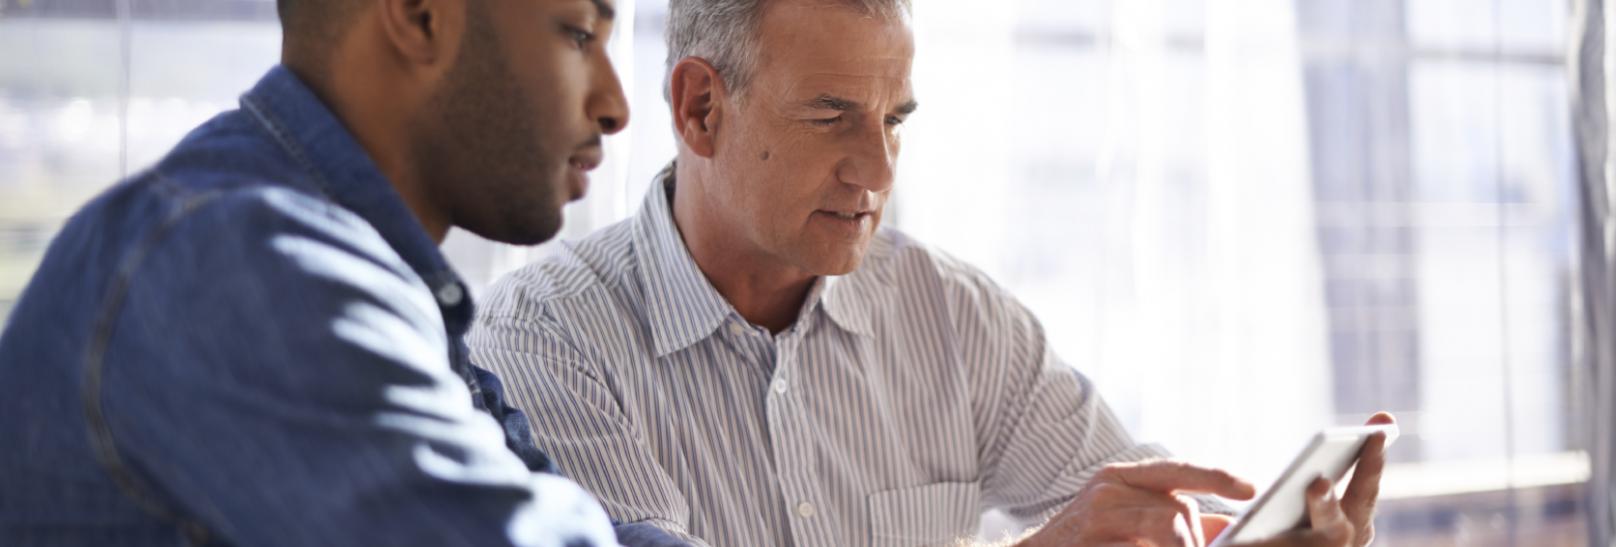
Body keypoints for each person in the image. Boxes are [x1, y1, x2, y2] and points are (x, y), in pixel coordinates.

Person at [467, 0, 1394, 546]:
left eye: (894, 121)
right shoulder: (548, 344)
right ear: (701, 108)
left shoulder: (952, 315)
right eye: (831, 116)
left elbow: (1133, 516)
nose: (876, 171)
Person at [0, 0, 684, 545]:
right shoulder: (245, 259)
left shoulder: (355, 265)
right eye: (577, 33)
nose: (617, 105)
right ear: (421, 17)